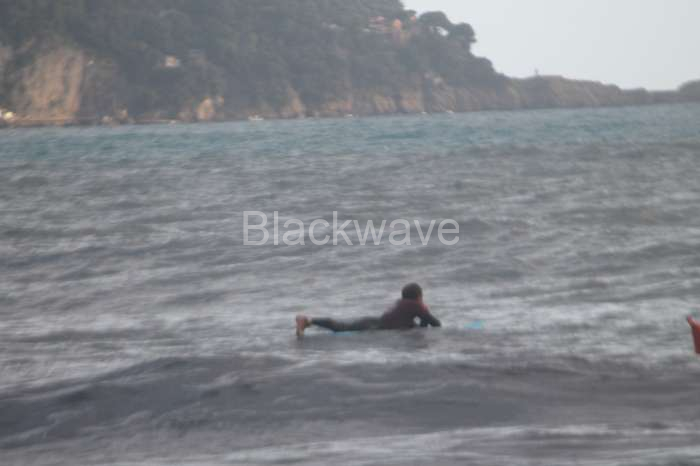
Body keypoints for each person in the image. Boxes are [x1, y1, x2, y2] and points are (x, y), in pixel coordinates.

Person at [295, 283, 441, 337]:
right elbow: (436, 324)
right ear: (418, 296)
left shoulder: (402, 304)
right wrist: (424, 311)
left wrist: (423, 317)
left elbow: (418, 327)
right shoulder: (415, 305)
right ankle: (307, 320)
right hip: (374, 326)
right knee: (340, 328)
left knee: (341, 326)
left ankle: (308, 323)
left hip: (373, 322)